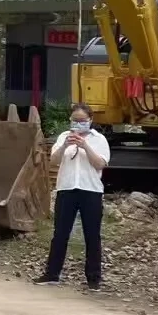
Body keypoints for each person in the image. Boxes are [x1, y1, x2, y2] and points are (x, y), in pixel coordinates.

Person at [34, 103, 110, 290]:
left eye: (82, 120)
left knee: (92, 235)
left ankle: (93, 278)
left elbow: (100, 164)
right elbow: (53, 161)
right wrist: (65, 146)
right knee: (60, 234)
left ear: (90, 120)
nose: (78, 124)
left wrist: (85, 146)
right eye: (75, 120)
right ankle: (52, 274)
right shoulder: (63, 137)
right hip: (66, 189)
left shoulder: (99, 139)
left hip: (90, 190)